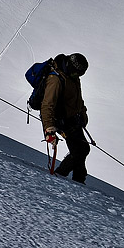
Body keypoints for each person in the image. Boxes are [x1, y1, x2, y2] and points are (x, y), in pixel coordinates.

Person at [40, 53, 90, 183]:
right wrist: (49, 129)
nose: (78, 77)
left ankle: (78, 179)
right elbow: (47, 105)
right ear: (70, 67)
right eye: (76, 73)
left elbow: (77, 98)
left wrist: (83, 113)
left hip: (73, 118)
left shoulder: (73, 76)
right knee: (80, 150)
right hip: (61, 119)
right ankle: (62, 176)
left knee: (82, 148)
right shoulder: (55, 79)